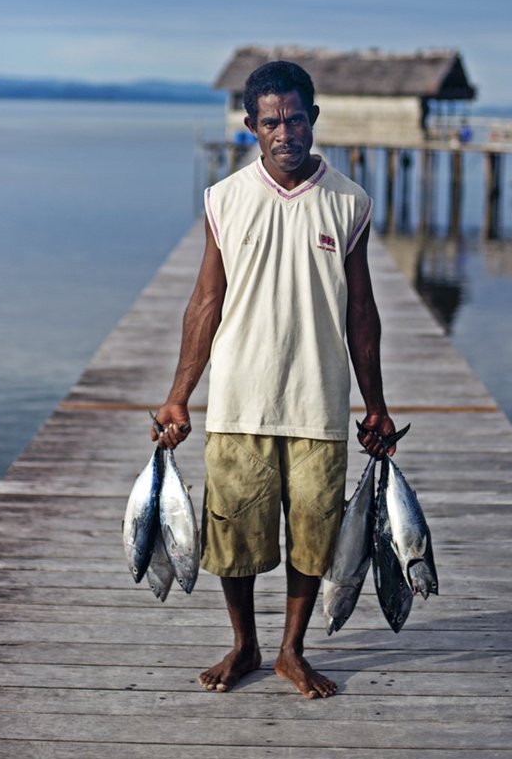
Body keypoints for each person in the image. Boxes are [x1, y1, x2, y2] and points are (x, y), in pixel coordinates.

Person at [151, 60, 396, 699]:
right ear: (250, 128)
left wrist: (376, 405)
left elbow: (361, 311)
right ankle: (245, 645)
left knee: (313, 535)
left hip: (319, 400)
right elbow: (205, 303)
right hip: (238, 400)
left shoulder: (350, 202)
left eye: (293, 118)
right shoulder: (226, 199)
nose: (283, 131)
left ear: (313, 118)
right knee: (234, 535)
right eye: (269, 122)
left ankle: (291, 650)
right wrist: (179, 396)